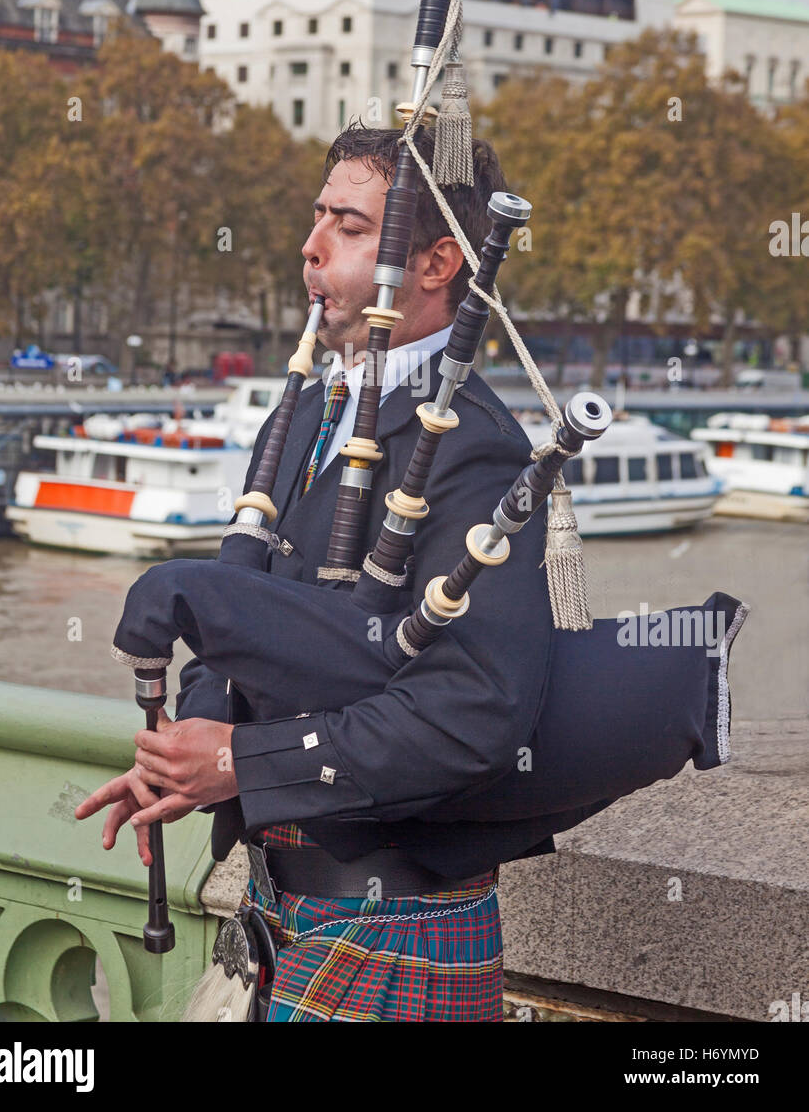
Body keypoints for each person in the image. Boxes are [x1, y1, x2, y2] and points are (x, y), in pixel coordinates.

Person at [77, 122, 563, 1022]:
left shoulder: (478, 452)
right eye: (316, 215)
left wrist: (240, 762)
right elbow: (249, 609)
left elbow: (474, 713)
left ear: (436, 265)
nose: (310, 247)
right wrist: (195, 737)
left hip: (397, 925)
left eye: (347, 226)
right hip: (279, 909)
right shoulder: (304, 412)